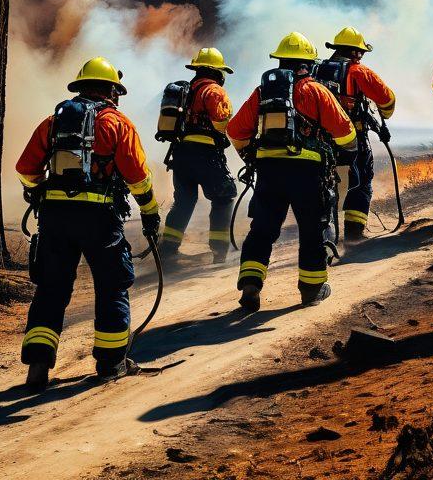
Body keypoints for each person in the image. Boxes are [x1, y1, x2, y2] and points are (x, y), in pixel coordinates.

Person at [16, 57, 160, 390]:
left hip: (54, 219)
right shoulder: (117, 123)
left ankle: (37, 366)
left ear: (80, 87)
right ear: (112, 90)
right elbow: (137, 176)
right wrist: (150, 210)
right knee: (111, 288)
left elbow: (26, 170)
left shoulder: (53, 121)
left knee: (51, 289)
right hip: (100, 220)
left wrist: (39, 193)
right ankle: (111, 365)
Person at [227, 32, 357, 311]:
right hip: (307, 173)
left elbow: (235, 130)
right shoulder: (315, 90)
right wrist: (349, 151)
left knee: (261, 230)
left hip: (269, 172)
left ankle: (250, 285)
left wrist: (249, 154)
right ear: (307, 64)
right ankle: (311, 290)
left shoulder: (262, 92)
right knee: (311, 230)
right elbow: (345, 132)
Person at [159, 47, 237, 263]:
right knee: (223, 197)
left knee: (184, 201)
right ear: (217, 72)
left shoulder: (186, 91)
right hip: (205, 154)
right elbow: (221, 122)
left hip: (181, 154)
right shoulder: (214, 91)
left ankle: (168, 251)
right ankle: (220, 252)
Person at [319, 26, 396, 241]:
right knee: (361, 180)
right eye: (360, 53)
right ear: (354, 52)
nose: (360, 57)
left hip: (321, 140)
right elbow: (387, 99)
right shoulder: (357, 71)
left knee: (325, 183)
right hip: (354, 138)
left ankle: (325, 234)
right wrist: (385, 116)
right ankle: (354, 232)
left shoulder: (317, 71)